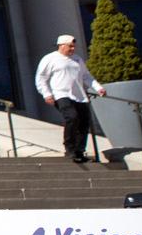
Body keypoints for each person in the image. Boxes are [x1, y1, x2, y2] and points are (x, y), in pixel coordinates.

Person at [34, 33, 106, 162]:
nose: (73, 49)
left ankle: (79, 151)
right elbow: (41, 77)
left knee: (84, 122)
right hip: (60, 94)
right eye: (70, 46)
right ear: (61, 46)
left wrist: (98, 88)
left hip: (79, 96)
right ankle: (69, 148)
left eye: (73, 47)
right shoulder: (50, 59)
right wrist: (46, 93)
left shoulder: (77, 59)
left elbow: (86, 76)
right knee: (72, 117)